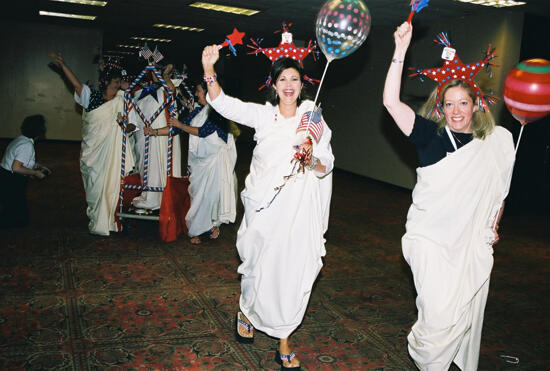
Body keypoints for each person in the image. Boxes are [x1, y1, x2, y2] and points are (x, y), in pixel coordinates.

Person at [382, 22, 515, 370]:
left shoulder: (495, 143)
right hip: (429, 241)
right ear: (440, 107)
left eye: (463, 103)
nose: (456, 111)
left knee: (459, 315)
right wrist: (400, 51)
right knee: (439, 316)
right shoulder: (429, 136)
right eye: (449, 104)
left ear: (476, 105)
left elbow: (498, 191)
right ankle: (426, 356)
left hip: (467, 245)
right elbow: (391, 102)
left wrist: (493, 225)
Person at [201, 45, 334, 370]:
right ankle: (247, 308)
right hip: (265, 209)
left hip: (299, 212)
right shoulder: (263, 115)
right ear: (273, 86)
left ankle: (285, 339)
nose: (289, 84)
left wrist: (311, 157)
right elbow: (223, 103)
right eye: (282, 79)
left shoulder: (312, 118)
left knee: (293, 273)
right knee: (260, 267)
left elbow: (325, 165)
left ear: (303, 84)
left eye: (295, 79)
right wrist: (209, 70)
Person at [48, 52, 134, 236]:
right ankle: (97, 218)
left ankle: (111, 220)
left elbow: (131, 128)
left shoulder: (121, 101)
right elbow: (76, 84)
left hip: (110, 154)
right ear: (105, 84)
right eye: (114, 83)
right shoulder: (91, 97)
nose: (117, 86)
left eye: (118, 83)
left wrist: (122, 124)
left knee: (111, 186)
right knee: (95, 189)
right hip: (92, 153)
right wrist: (63, 65)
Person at [149, 79, 237, 244]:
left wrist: (181, 125)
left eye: (198, 91)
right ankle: (208, 227)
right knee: (198, 197)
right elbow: (175, 128)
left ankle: (202, 229)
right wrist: (153, 132)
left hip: (215, 161)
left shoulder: (218, 112)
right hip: (200, 163)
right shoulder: (199, 111)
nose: (196, 94)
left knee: (209, 197)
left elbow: (203, 132)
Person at [127, 63, 182, 211]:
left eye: (158, 71)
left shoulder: (167, 89)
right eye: (153, 71)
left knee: (159, 166)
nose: (154, 74)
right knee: (146, 167)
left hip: (160, 138)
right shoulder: (140, 92)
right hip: (144, 137)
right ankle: (148, 196)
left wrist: (165, 76)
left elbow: (171, 91)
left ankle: (159, 199)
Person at [0, 115, 50, 228]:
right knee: (19, 216)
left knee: (12, 207)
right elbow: (16, 167)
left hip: (5, 176)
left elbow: (19, 160)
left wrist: (37, 165)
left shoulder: (20, 139)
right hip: (11, 180)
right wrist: (35, 173)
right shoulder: (27, 146)